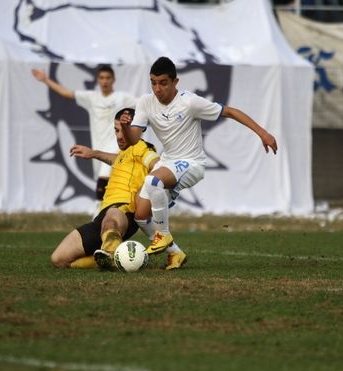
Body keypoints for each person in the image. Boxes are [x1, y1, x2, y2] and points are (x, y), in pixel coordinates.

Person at [120, 56, 278, 255]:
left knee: (153, 181)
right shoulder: (145, 102)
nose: (157, 89)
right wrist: (126, 127)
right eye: (153, 83)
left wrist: (262, 133)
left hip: (192, 163)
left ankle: (163, 234)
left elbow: (230, 112)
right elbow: (133, 140)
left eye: (163, 83)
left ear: (175, 82)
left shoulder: (190, 102)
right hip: (168, 162)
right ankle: (175, 254)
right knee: (141, 215)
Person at [50, 108, 186, 271]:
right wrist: (94, 153)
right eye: (116, 130)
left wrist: (151, 184)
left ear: (138, 129)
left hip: (123, 211)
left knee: (111, 218)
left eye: (125, 129)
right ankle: (118, 259)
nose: (120, 135)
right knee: (59, 259)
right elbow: (116, 159)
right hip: (102, 218)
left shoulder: (142, 148)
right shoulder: (124, 154)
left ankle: (112, 252)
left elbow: (156, 165)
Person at [31, 65, 137, 203]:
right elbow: (66, 93)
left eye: (108, 78)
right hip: (98, 148)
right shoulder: (91, 97)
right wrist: (45, 80)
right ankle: (107, 215)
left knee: (103, 178)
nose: (105, 81)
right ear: (97, 80)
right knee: (109, 186)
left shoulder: (123, 98)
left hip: (116, 146)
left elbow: (144, 105)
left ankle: (99, 216)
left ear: (113, 80)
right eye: (102, 78)